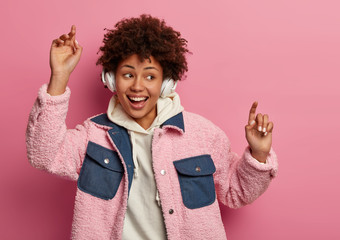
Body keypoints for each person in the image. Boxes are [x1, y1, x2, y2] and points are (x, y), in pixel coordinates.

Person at [26, 14, 278, 240]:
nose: (137, 86)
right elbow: (44, 155)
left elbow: (237, 192)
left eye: (150, 76)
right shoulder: (93, 135)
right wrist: (59, 77)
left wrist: (259, 154)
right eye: (127, 74)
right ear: (111, 79)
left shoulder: (202, 134)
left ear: (167, 83)